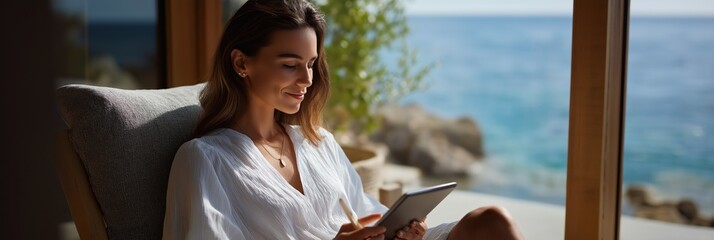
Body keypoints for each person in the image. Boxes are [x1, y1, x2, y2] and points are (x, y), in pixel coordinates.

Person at [162, 0, 524, 239]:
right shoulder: (204, 159)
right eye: (289, 65)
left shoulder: (317, 142)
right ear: (241, 63)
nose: (306, 80)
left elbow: (367, 216)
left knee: (492, 221)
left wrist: (401, 230)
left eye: (310, 64)